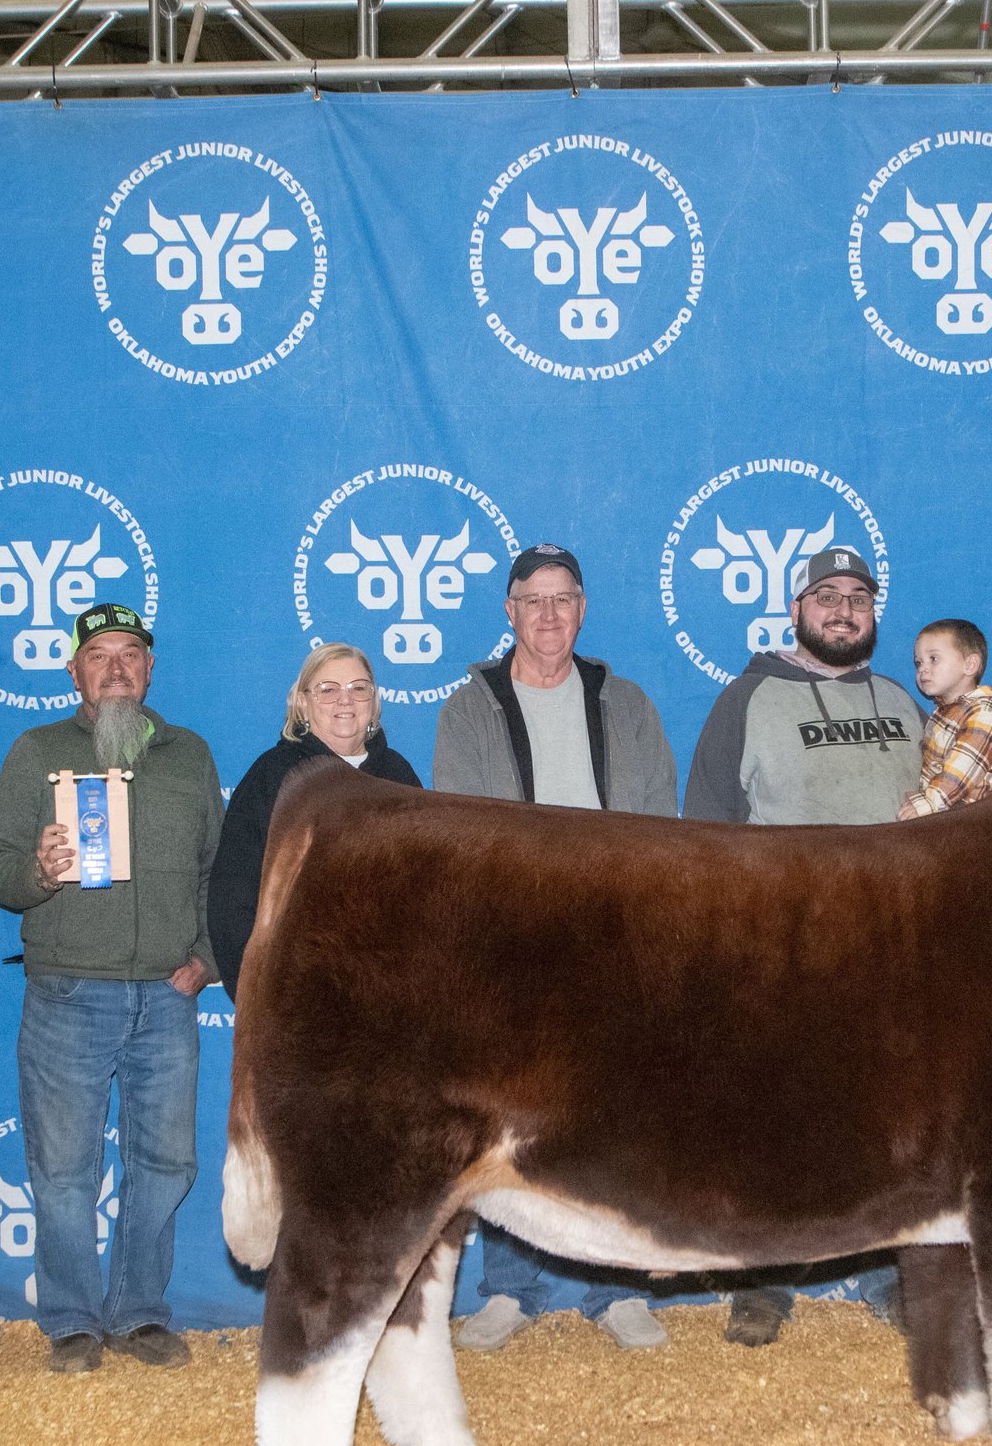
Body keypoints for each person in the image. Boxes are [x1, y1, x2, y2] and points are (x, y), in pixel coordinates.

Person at [433, 543, 680, 1353]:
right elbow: (459, 828)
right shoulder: (470, 710)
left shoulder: (628, 703)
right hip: (514, 941)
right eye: (531, 600)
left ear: (583, 609)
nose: (548, 615)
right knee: (512, 1117)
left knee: (614, 1117)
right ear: (509, 612)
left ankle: (616, 1287)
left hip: (614, 937)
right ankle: (510, 1290)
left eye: (563, 599)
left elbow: (656, 822)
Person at [686, 543, 923, 1345]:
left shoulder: (902, 698)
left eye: (858, 596)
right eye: (827, 595)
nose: (843, 608)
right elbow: (707, 826)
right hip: (780, 950)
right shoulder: (748, 698)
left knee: (894, 1121)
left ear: (873, 615)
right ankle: (763, 1278)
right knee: (775, 1120)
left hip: (893, 951)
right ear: (797, 610)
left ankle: (892, 1273)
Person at [0, 603, 223, 1375]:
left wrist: (208, 960)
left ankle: (142, 1312)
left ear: (150, 669)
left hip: (167, 997)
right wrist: (37, 872)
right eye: (99, 655)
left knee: (167, 1164)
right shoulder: (35, 751)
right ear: (74, 671)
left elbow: (223, 874)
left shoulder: (189, 755)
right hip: (67, 995)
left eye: (130, 654)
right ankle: (72, 1320)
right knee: (63, 1168)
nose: (115, 667)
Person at [212, 642, 421, 1003]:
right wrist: (255, 991)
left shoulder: (398, 775)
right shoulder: (274, 776)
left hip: (389, 996)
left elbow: (427, 888)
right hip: (296, 995)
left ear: (373, 703)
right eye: (328, 690)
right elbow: (233, 893)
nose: (345, 700)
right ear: (303, 703)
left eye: (359, 688)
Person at [896, 618, 992, 818]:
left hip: (975, 822)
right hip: (947, 819)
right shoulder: (944, 712)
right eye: (918, 662)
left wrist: (926, 804)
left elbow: (959, 776)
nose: (922, 668)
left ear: (970, 665)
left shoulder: (983, 712)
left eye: (933, 658)